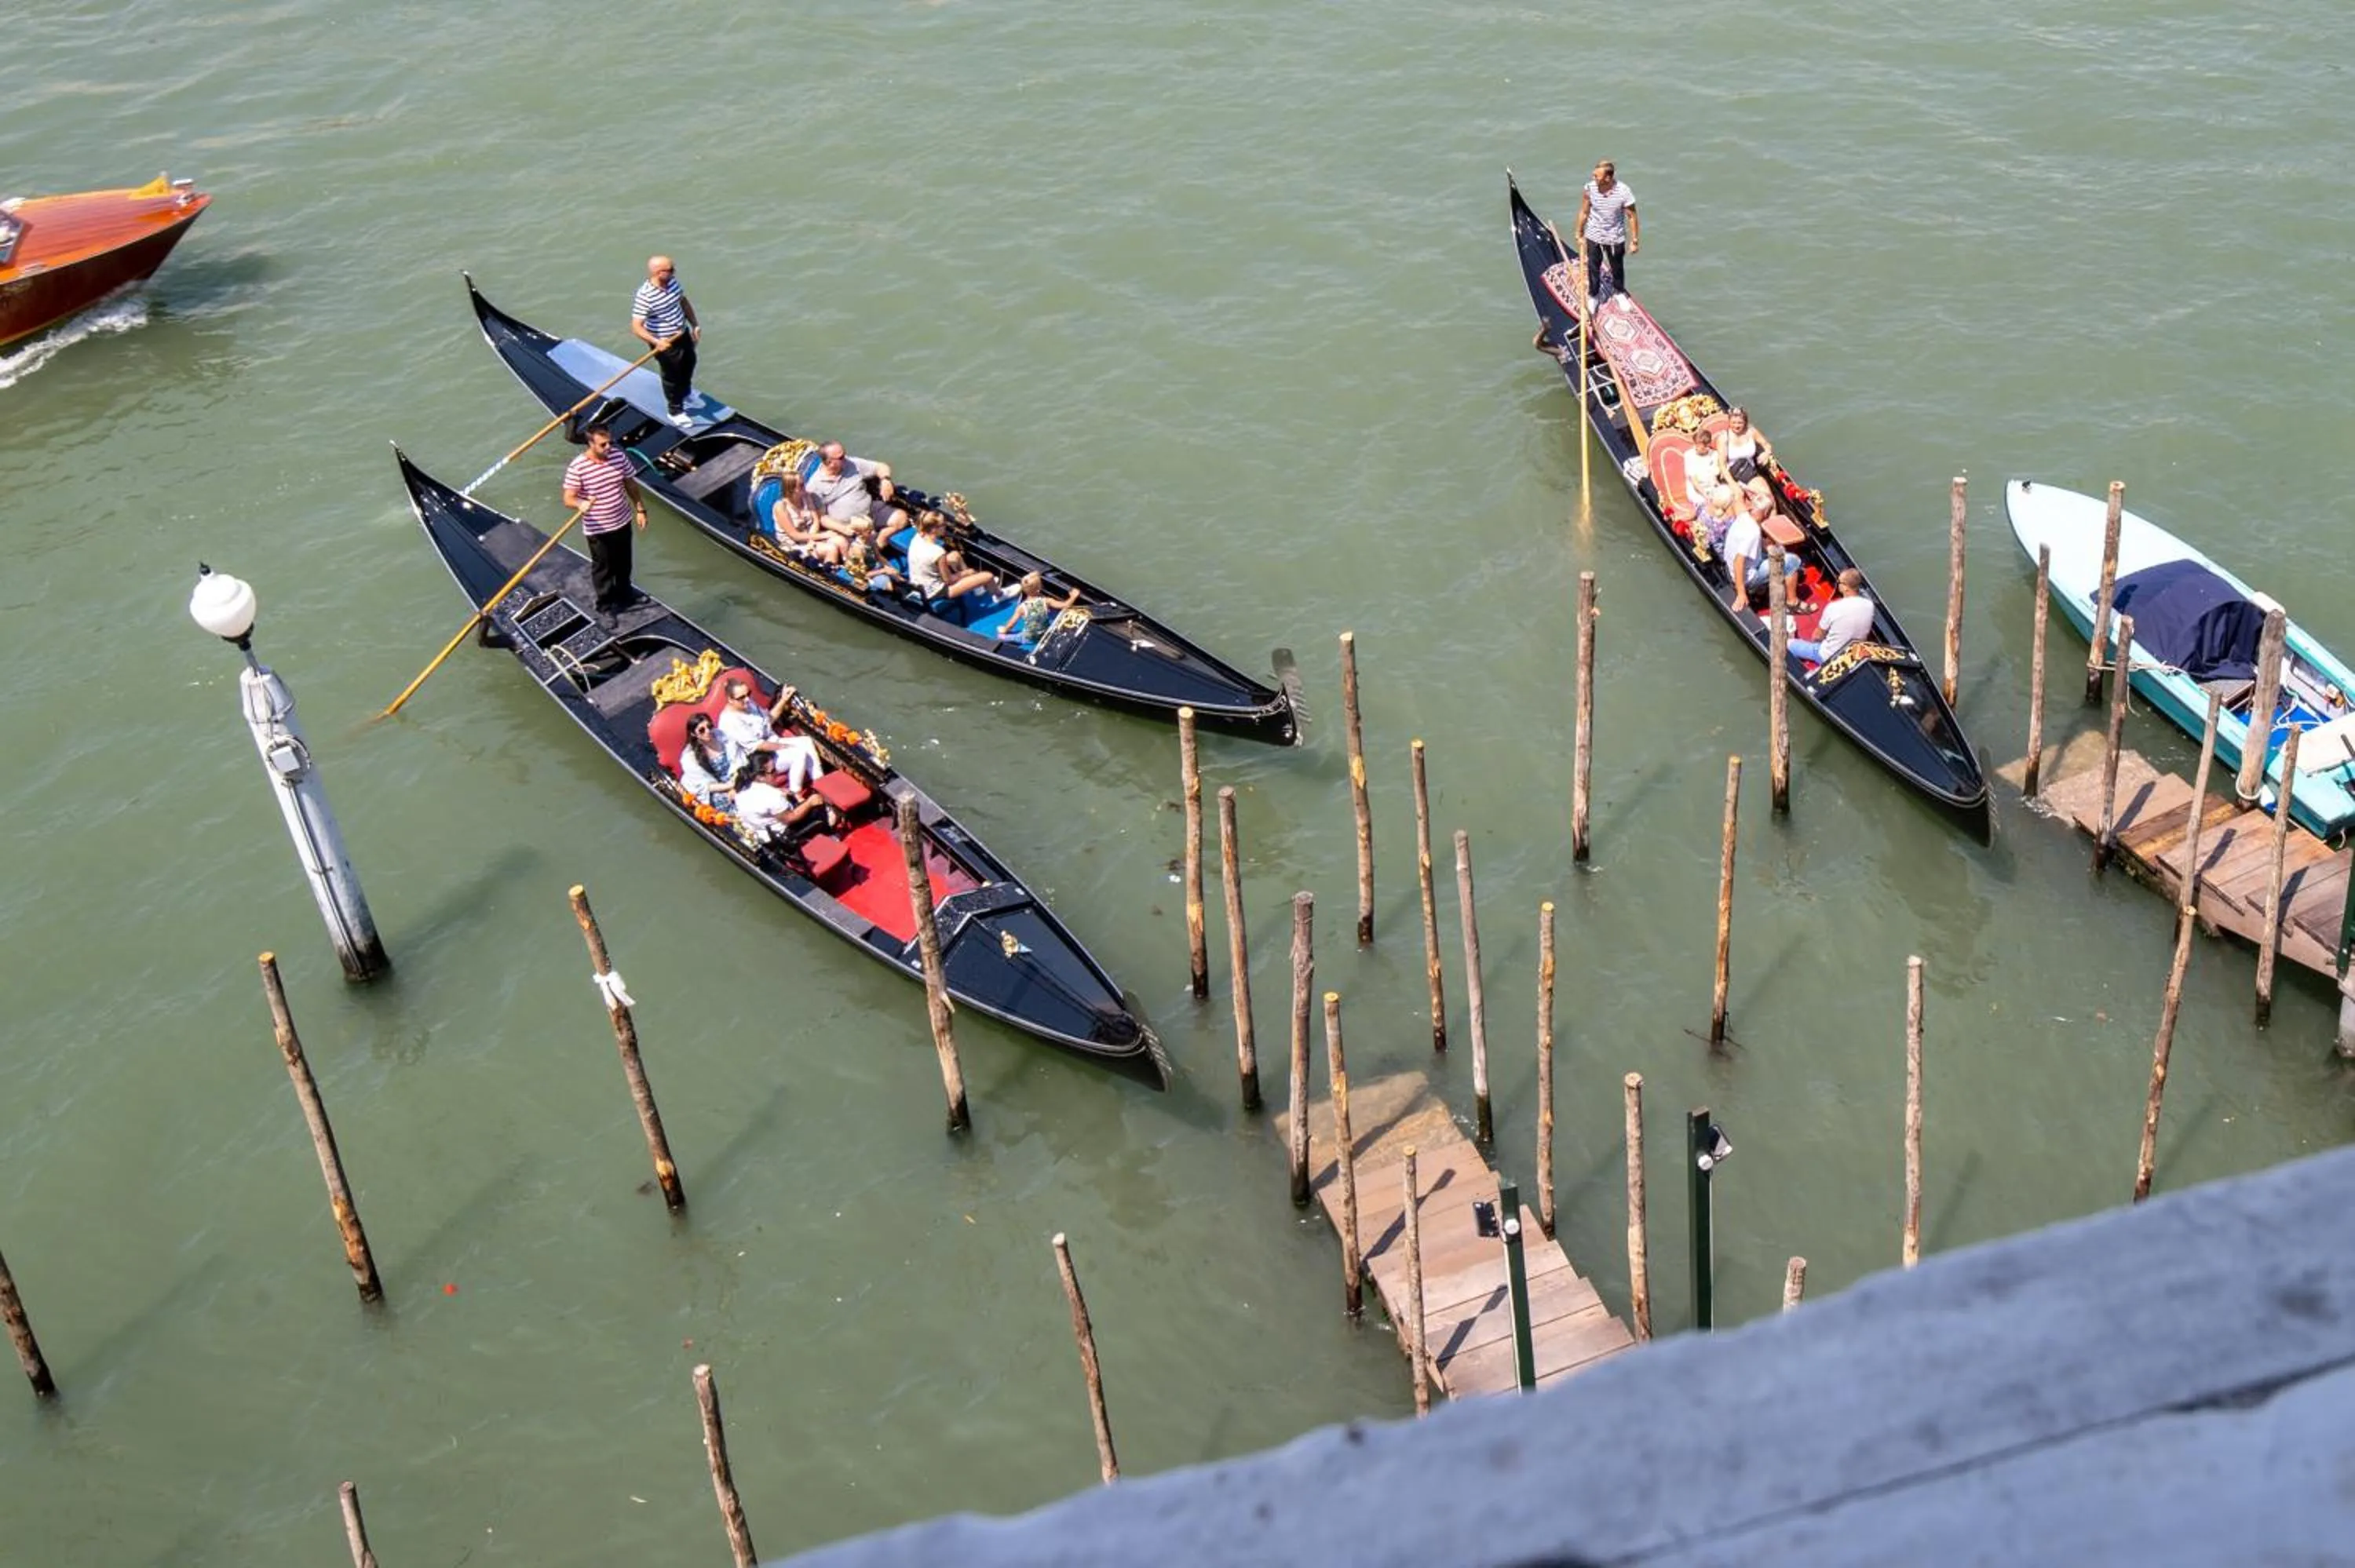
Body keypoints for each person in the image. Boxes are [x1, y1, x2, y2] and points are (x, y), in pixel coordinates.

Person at [560, 423, 648, 618]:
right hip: (598, 529)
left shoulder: (618, 456)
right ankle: (605, 605)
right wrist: (580, 504)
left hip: (623, 520)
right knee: (604, 568)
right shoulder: (578, 467)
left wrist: (640, 509)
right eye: (603, 445)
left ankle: (626, 594)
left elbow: (630, 484)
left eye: (610, 442)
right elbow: (568, 498)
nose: (608, 448)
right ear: (590, 443)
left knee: (624, 563)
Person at [716, 679, 825, 795]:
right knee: (798, 753)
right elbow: (759, 746)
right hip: (756, 760)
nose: (747, 699)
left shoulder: (748, 704)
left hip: (771, 745)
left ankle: (821, 785)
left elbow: (769, 719)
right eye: (741, 698)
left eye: (748, 694)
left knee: (807, 741)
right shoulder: (730, 721)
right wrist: (787, 746)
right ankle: (796, 794)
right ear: (730, 700)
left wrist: (783, 700)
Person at [630, 256, 701, 430]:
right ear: (657, 272)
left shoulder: (673, 283)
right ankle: (675, 411)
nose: (673, 273)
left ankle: (686, 393)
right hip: (664, 341)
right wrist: (657, 342)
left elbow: (683, 302)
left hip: (681, 333)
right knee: (672, 375)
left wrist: (694, 324)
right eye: (670, 270)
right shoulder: (645, 295)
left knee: (690, 363)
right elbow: (636, 327)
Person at [804, 441, 909, 548]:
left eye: (844, 454)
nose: (845, 458)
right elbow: (822, 518)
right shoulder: (814, 486)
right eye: (841, 457)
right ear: (828, 462)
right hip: (847, 524)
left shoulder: (852, 464)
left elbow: (881, 466)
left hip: (870, 510)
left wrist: (885, 480)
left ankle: (881, 538)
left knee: (901, 518)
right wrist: (843, 529)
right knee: (859, 551)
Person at [1722, 491, 1801, 614]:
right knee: (1792, 562)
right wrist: (1741, 593)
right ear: (1765, 513)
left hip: (1730, 567)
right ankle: (1792, 603)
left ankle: (1763, 590)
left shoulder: (1743, 516)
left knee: (1776, 551)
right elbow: (1739, 561)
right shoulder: (1753, 532)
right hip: (1748, 577)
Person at [1572, 161, 1638, 304]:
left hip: (1615, 236)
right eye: (1594, 175)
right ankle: (1594, 296)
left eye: (1597, 176)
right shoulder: (1589, 188)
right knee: (1593, 266)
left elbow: (1632, 216)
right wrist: (1579, 233)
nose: (1593, 177)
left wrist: (1634, 241)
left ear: (1608, 178)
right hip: (1594, 234)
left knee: (1617, 267)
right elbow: (1584, 212)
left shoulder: (1624, 192)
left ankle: (1619, 292)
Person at [731, 751, 828, 844]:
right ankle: (828, 834)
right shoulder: (772, 796)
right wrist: (810, 802)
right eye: (773, 771)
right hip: (784, 835)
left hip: (762, 831)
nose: (776, 772)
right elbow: (790, 818)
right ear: (760, 777)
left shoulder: (742, 788)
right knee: (816, 800)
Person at [1788, 568, 1876, 665]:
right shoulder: (1870, 605)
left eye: (1839, 581)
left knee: (1787, 644)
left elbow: (1817, 636)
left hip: (1827, 656)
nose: (1837, 583)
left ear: (1846, 588)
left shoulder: (1834, 607)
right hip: (1853, 655)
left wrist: (1819, 643)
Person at [905, 512, 997, 602]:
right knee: (988, 576)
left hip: (918, 583)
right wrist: (967, 573)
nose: (946, 526)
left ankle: (976, 588)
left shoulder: (917, 538)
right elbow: (948, 580)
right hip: (937, 592)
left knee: (955, 555)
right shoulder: (938, 551)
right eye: (943, 524)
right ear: (934, 529)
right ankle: (999, 595)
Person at [764, 472, 849, 564]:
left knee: (841, 541)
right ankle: (829, 574)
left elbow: (815, 521)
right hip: (793, 545)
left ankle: (853, 568)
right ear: (791, 489)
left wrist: (811, 539)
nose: (805, 487)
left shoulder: (806, 497)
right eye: (801, 485)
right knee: (831, 549)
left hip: (811, 536)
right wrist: (823, 536)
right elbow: (794, 535)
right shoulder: (781, 507)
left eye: (803, 483)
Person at [676, 713, 748, 805]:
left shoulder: (720, 736)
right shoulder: (689, 758)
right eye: (702, 730)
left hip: (736, 777)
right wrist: (730, 786)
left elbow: (737, 760)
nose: (708, 731)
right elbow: (706, 786)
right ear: (693, 734)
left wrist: (736, 782)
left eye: (709, 726)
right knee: (725, 799)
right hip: (717, 788)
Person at [999, 572, 1083, 644]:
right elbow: (1065, 605)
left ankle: (1002, 637)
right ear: (1039, 589)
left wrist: (1004, 630)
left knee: (1003, 636)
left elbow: (1011, 624)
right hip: (1045, 634)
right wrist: (1073, 597)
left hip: (1029, 638)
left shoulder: (1021, 608)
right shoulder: (1047, 601)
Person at [1714, 407, 1775, 482]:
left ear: (1745, 423)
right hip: (1731, 473)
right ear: (1729, 422)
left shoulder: (1752, 431)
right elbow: (1722, 465)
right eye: (1733, 423)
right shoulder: (1723, 438)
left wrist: (1766, 453)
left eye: (1740, 423)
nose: (1736, 426)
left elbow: (1767, 445)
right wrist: (1733, 485)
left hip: (1750, 471)